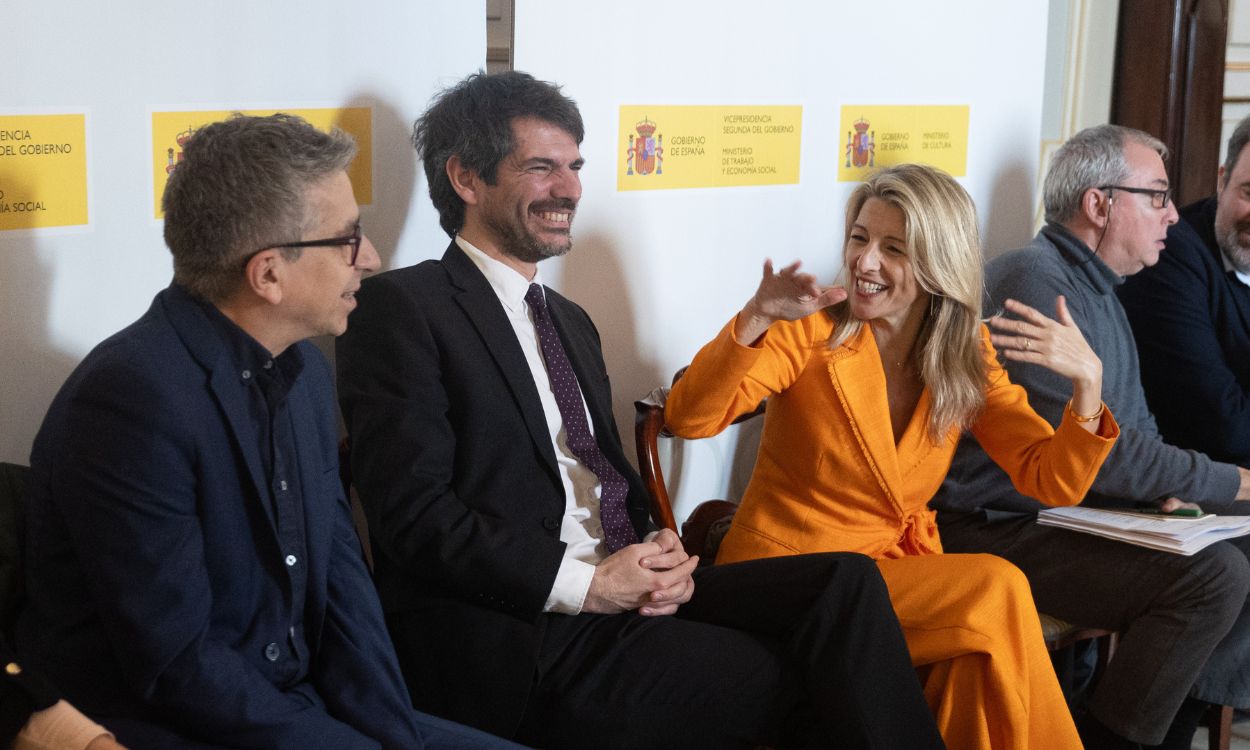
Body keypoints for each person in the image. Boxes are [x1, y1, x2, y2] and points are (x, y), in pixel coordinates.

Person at [336, 71, 944, 750]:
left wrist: (664, 547)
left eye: (574, 166)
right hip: (525, 631)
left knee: (848, 584)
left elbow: (607, 472)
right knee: (789, 678)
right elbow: (414, 521)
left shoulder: (569, 320)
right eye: (541, 167)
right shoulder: (404, 310)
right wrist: (589, 585)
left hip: (626, 586)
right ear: (466, 179)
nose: (569, 188)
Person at [17, 114, 519, 749]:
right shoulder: (128, 403)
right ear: (268, 275)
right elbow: (177, 663)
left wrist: (393, 737)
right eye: (348, 238)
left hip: (299, 709)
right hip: (168, 726)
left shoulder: (304, 365)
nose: (370, 257)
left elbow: (344, 591)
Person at [665, 162, 1120, 750]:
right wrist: (757, 317)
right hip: (793, 580)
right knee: (997, 585)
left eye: (893, 248)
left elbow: (1050, 478)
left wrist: (1088, 386)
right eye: (859, 238)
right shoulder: (809, 331)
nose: (864, 261)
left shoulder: (966, 350)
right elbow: (688, 417)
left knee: (970, 662)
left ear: (937, 264)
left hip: (891, 575)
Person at [934, 124, 1250, 750]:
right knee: (1213, 578)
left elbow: (1136, 431)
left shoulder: (1098, 288)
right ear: (1099, 204)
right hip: (997, 526)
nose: (1173, 217)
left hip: (1063, 515)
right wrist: (1236, 480)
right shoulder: (1036, 284)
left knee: (1236, 555)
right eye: (1157, 196)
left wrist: (1174, 500)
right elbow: (1099, 459)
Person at [1119, 114, 1250, 468]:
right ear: (1222, 181)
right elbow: (1223, 426)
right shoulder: (1169, 252)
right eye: (1249, 192)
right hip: (1192, 493)